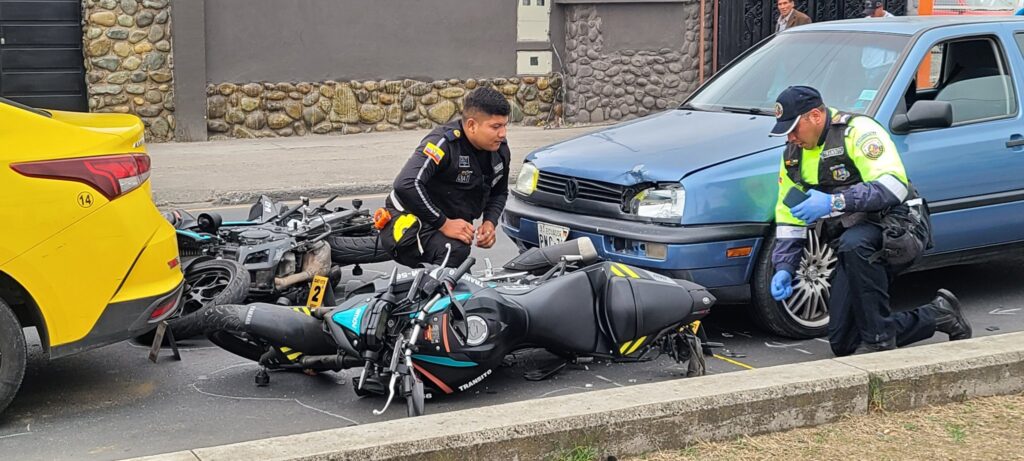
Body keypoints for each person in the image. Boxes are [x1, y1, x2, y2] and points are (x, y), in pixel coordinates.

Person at [767, 86, 972, 356]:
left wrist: (834, 202)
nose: (791, 137)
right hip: (853, 240)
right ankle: (938, 315)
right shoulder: (793, 155)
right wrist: (784, 265)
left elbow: (893, 186)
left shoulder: (858, 132)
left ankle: (879, 343)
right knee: (844, 342)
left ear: (815, 116)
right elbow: (787, 215)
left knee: (855, 244)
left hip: (899, 227)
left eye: (794, 128)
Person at [378, 87, 511, 268]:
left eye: (505, 125)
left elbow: (499, 192)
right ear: (472, 125)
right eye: (495, 127)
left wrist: (490, 222)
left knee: (461, 266)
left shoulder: (500, 150)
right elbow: (406, 184)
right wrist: (444, 223)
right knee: (455, 249)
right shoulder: (444, 143)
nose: (503, 134)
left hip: (446, 221)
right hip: (407, 218)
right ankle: (431, 292)